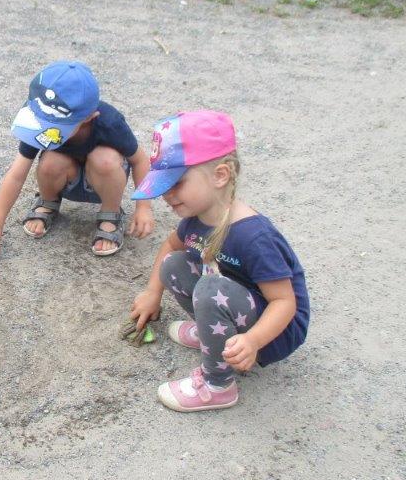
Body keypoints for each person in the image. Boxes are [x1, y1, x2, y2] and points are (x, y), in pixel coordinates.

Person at [128, 110, 309, 411]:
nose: (166, 195)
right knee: (173, 264)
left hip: (275, 331)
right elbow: (169, 247)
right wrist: (152, 293)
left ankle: (218, 386)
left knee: (211, 289)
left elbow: (285, 303)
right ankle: (214, 331)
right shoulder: (196, 219)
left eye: (177, 182)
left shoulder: (253, 236)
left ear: (220, 175)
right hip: (236, 301)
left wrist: (252, 341)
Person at [0, 61, 154, 257]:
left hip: (105, 181)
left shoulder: (110, 122)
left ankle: (111, 214)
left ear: (89, 117)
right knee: (52, 160)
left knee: (105, 159)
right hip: (66, 177)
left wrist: (143, 207)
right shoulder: (41, 114)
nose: (47, 130)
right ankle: (48, 201)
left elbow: (140, 160)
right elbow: (16, 174)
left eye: (56, 127)